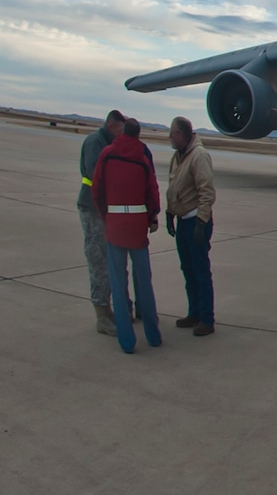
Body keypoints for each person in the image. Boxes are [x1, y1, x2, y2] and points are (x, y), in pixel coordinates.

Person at [92, 117, 162, 354]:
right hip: (137, 229)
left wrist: (106, 217)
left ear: (122, 131)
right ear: (138, 134)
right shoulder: (142, 160)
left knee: (118, 284)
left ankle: (127, 342)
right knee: (144, 282)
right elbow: (153, 194)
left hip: (115, 228)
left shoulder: (107, 155)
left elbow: (97, 189)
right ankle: (153, 335)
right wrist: (150, 218)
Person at [164, 117, 217, 336]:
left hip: (196, 222)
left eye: (173, 133)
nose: (170, 137)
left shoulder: (199, 156)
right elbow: (175, 186)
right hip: (182, 220)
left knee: (200, 270)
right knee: (187, 269)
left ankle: (207, 319)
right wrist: (169, 212)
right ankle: (193, 312)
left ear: (184, 134)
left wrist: (201, 222)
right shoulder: (178, 157)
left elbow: (207, 192)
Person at [76, 110, 125, 335]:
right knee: (98, 261)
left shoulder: (106, 143)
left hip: (102, 209)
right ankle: (101, 316)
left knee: (106, 261)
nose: (121, 136)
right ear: (112, 126)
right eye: (120, 131)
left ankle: (107, 311)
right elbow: (94, 173)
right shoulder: (95, 142)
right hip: (92, 207)